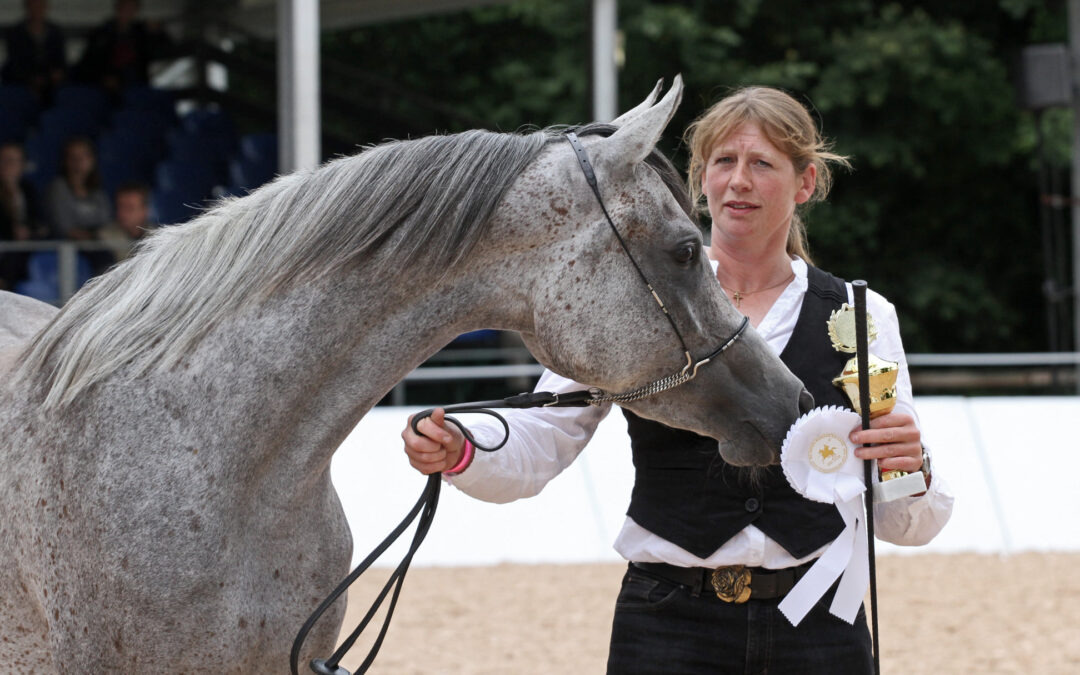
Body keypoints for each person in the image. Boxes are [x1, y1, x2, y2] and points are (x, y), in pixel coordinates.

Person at [402, 86, 954, 674]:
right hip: (667, 625)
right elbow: (546, 430)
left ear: (805, 183)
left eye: (761, 164)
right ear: (700, 178)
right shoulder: (633, 298)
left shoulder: (864, 315)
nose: (738, 181)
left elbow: (906, 522)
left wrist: (911, 466)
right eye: (723, 162)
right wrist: (464, 447)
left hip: (819, 624)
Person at [46, 136, 113, 275]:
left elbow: (106, 220)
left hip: (96, 242)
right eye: (73, 157)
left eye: (84, 156)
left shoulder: (96, 191)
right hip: (69, 245)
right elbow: (64, 227)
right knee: (103, 257)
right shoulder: (58, 188)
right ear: (65, 161)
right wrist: (91, 235)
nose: (79, 162)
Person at [74, 0, 173, 95]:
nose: (127, 12)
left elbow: (165, 49)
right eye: (124, 8)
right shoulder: (102, 33)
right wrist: (103, 78)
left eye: (131, 9)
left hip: (135, 80)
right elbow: (89, 60)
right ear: (117, 9)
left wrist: (158, 32)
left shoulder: (141, 32)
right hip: (105, 82)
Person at [0, 0, 67, 102]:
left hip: (50, 82)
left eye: (40, 6)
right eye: (34, 5)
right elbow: (15, 62)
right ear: (27, 7)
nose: (37, 9)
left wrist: (56, 74)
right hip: (22, 82)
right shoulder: (15, 33)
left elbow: (60, 60)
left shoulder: (56, 33)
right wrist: (31, 79)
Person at [0, 141, 43, 289]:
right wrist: (12, 231)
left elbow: (40, 219)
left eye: (13, 161)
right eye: (4, 160)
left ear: (22, 165)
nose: (8, 165)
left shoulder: (28, 189)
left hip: (27, 244)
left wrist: (28, 230)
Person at [97, 180, 155, 260]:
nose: (123, 213)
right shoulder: (103, 238)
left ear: (144, 211)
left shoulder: (158, 237)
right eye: (120, 207)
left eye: (129, 208)